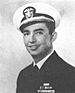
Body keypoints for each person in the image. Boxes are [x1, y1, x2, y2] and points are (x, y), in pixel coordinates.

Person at [13, 2, 75, 93]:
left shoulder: (70, 75)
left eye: (38, 33)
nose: (31, 40)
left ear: (53, 37)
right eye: (26, 33)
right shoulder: (24, 75)